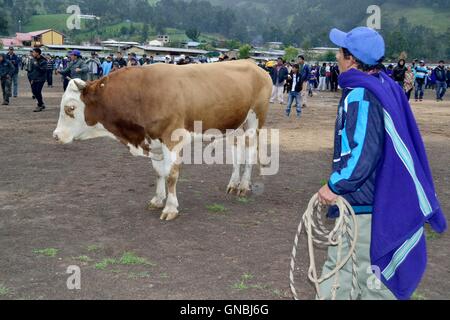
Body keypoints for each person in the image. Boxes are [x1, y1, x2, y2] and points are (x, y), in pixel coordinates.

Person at [318, 26, 446, 300]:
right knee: (350, 272)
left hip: (364, 206)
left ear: (350, 58)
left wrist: (334, 185)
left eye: (340, 52)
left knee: (357, 275)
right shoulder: (385, 86)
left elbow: (363, 154)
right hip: (381, 198)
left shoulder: (360, 94)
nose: (337, 57)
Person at [28, 48, 48, 112]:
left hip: (41, 78)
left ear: (37, 53)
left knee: (38, 91)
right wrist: (31, 78)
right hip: (34, 78)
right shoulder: (33, 60)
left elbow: (43, 70)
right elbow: (32, 70)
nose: (32, 53)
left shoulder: (43, 61)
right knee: (34, 91)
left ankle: (39, 105)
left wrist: (37, 65)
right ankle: (41, 103)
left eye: (33, 52)